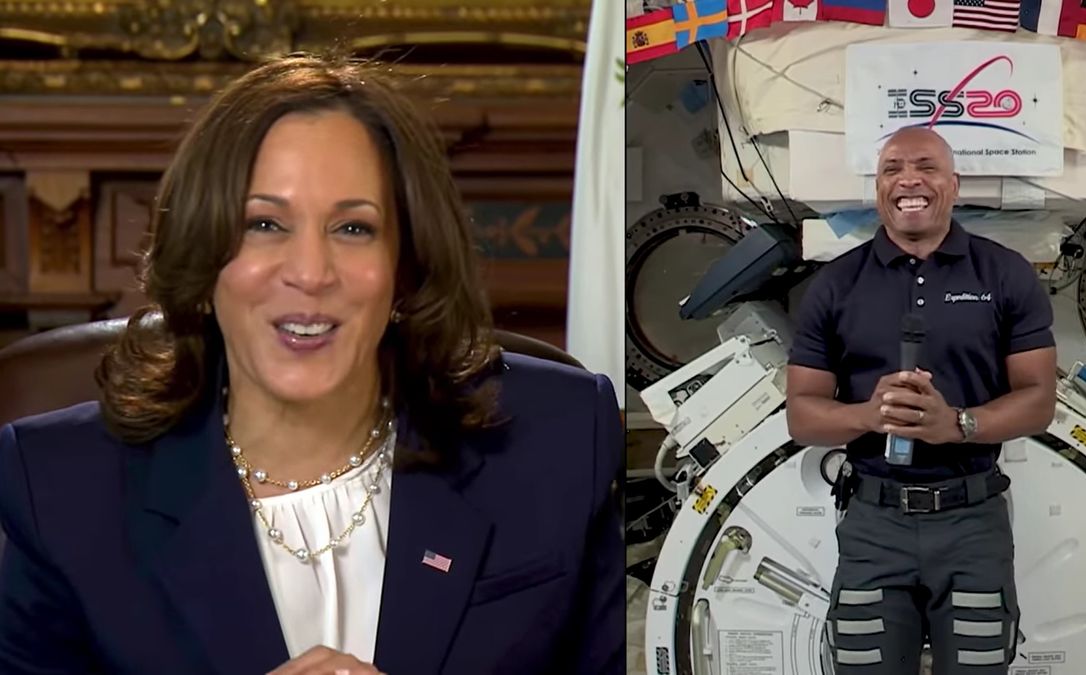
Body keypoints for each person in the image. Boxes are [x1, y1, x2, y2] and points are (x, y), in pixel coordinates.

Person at [0, 54, 624, 675]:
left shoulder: (563, 440)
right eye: (264, 223)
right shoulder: (60, 491)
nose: (310, 273)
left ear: (405, 265)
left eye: (353, 228)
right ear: (203, 255)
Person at [785, 127, 1057, 674]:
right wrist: (871, 415)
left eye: (926, 167)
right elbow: (801, 415)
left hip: (972, 524)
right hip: (873, 526)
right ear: (878, 189)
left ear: (953, 185)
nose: (909, 179)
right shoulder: (835, 285)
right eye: (891, 169)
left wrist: (954, 424)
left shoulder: (1004, 274)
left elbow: (1039, 400)